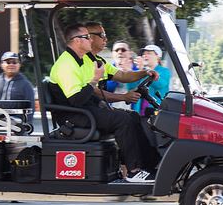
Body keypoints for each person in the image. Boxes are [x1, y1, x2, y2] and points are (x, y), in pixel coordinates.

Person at [49, 22, 160, 183]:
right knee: (122, 120)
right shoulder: (66, 64)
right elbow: (76, 100)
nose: (90, 40)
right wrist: (95, 80)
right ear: (77, 40)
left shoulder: (86, 60)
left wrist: (144, 73)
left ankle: (149, 165)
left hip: (84, 109)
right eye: (86, 37)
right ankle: (133, 171)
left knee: (132, 116)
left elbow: (120, 76)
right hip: (73, 115)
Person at [0, 51, 35, 123]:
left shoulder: (26, 84)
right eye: (8, 62)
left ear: (19, 65)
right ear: (1, 64)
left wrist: (26, 126)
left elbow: (31, 108)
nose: (11, 64)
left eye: (14, 62)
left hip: (16, 127)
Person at [130, 44, 171, 115]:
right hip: (139, 109)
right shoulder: (141, 71)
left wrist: (144, 70)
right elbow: (131, 87)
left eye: (149, 53)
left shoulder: (164, 71)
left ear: (158, 57)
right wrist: (129, 71)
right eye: (144, 54)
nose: (144, 55)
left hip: (155, 110)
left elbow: (159, 84)